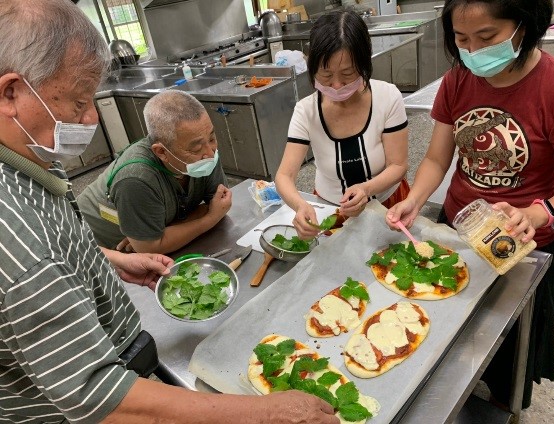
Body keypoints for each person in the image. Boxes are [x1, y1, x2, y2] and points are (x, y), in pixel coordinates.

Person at [0, 1, 340, 423]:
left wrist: (107, 259)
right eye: (77, 101)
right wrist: (264, 413)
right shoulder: (24, 240)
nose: (90, 118)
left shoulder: (26, 165)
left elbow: (58, 250)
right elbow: (99, 400)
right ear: (11, 92)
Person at [386, 0, 554, 410]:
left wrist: (539, 213)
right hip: (461, 231)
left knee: (511, 347)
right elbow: (436, 159)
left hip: (525, 245)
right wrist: (414, 199)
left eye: (487, 37)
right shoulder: (457, 81)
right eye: (461, 39)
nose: (473, 51)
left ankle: (505, 405)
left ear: (526, 25)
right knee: (454, 333)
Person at [275, 10, 410, 239]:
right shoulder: (306, 110)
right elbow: (284, 176)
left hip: (388, 203)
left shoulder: (388, 97)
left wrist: (366, 189)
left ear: (364, 63)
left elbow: (398, 165)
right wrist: (300, 205)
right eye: (326, 76)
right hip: (332, 211)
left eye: (347, 74)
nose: (336, 85)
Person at [77, 90, 232, 255]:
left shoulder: (205, 153)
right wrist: (208, 220)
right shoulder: (135, 179)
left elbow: (218, 204)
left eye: (211, 138)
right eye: (196, 148)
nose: (210, 152)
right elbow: (149, 249)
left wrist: (161, 232)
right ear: (161, 152)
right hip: (91, 244)